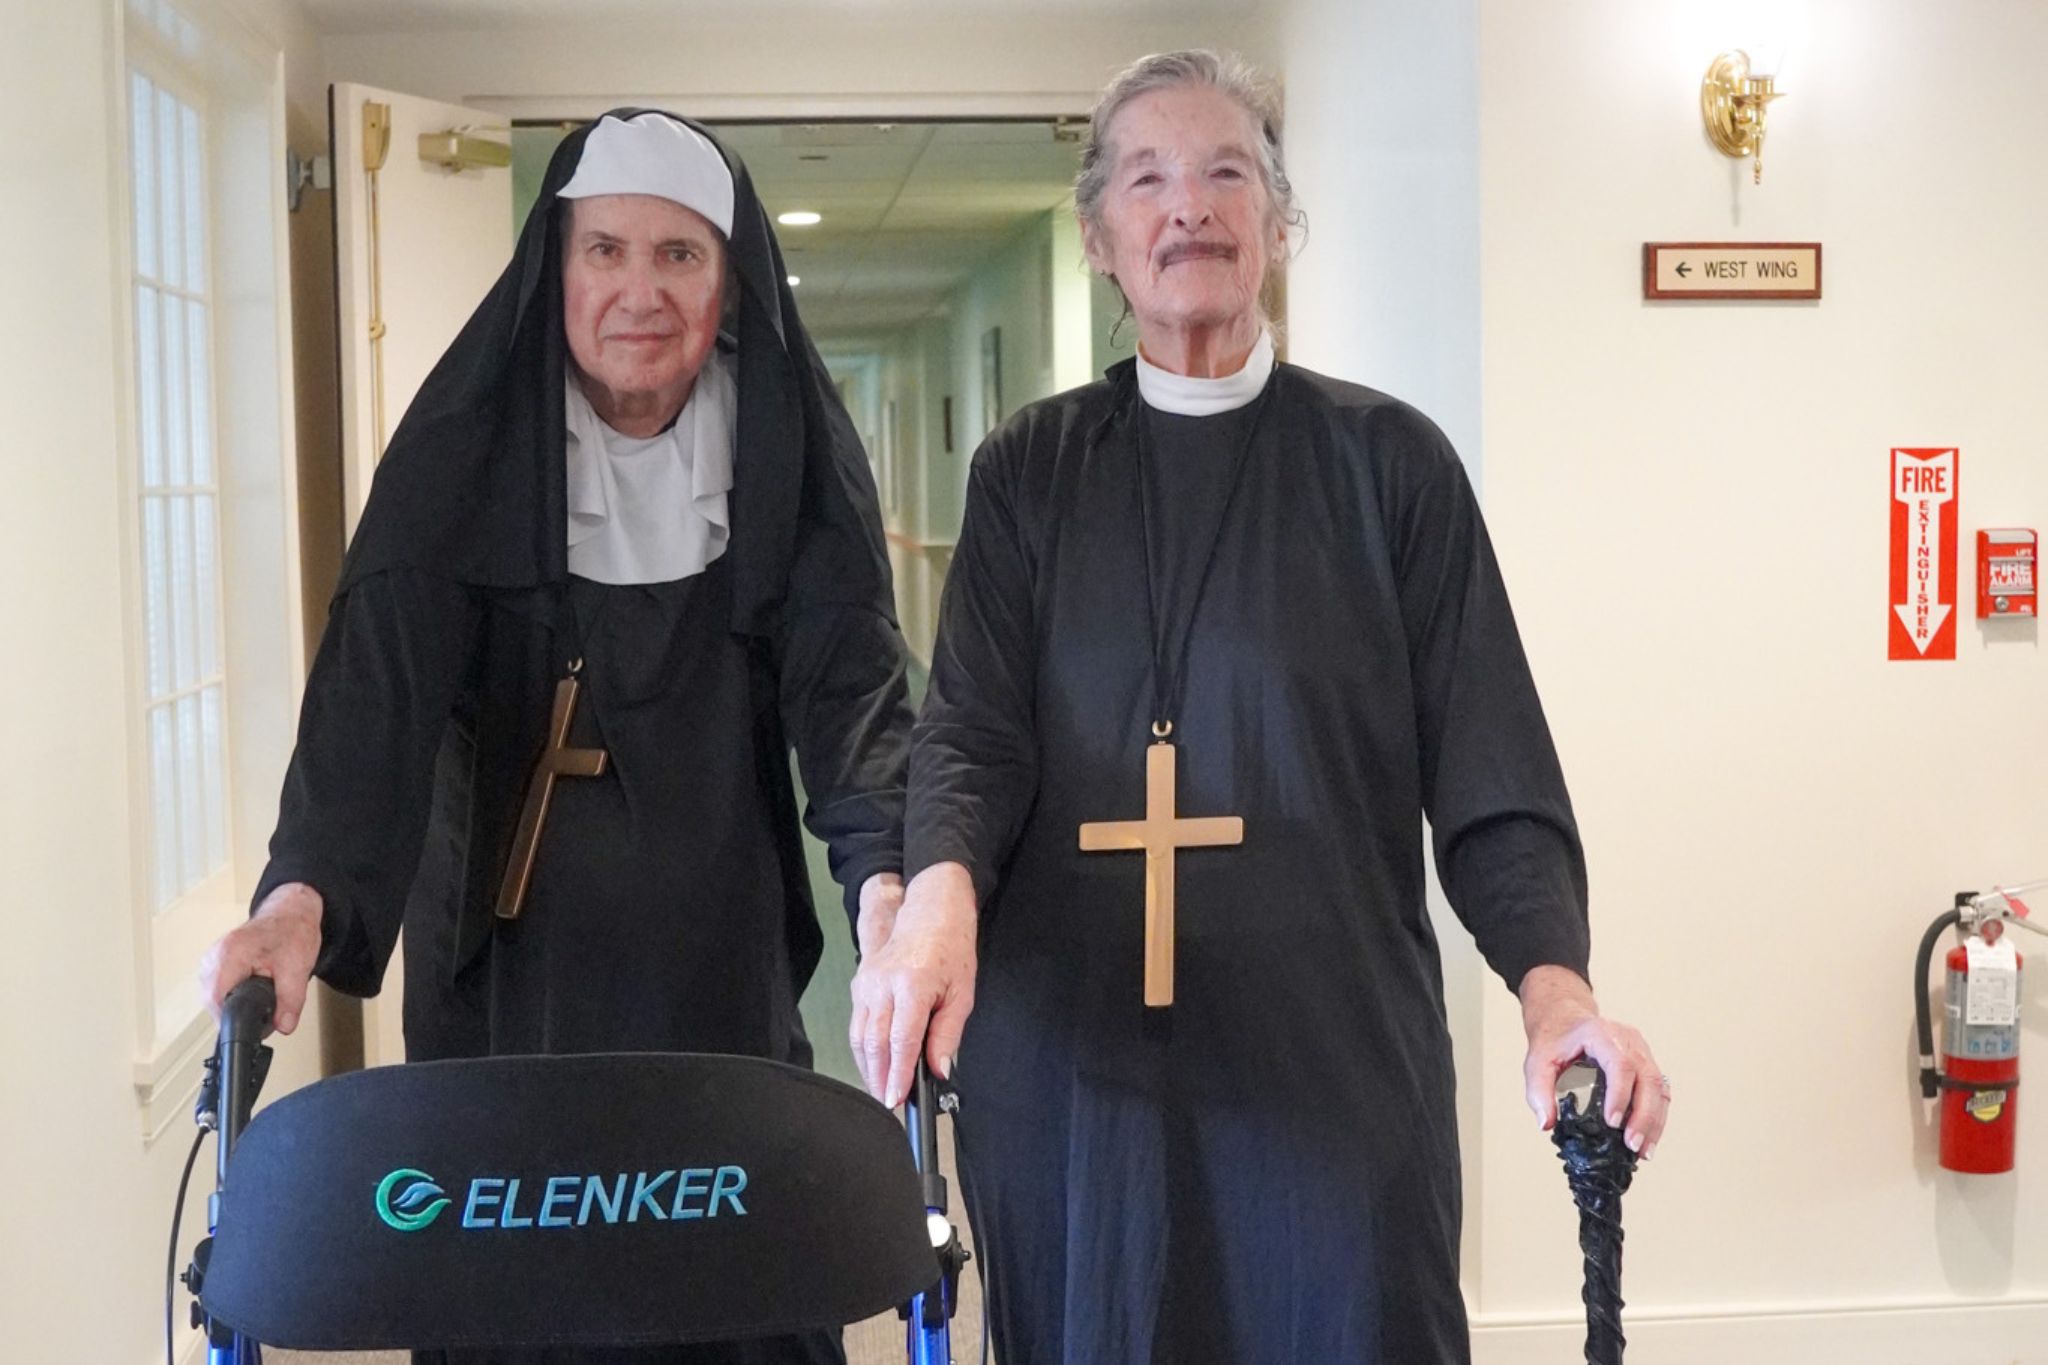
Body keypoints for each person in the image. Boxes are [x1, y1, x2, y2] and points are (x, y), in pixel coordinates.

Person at [852, 51, 1670, 1363]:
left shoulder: (1388, 466)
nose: (1190, 206)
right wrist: (936, 897)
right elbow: (973, 734)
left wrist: (1557, 998)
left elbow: (1489, 762)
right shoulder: (1029, 473)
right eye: (1149, 177)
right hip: (1080, 1089)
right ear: (1100, 237)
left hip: (1331, 1075)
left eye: (1228, 170)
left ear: (1280, 223)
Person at [199, 110, 912, 1365]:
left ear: (729, 277)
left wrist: (889, 881)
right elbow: (376, 699)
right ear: (558, 267)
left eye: (681, 257)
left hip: (715, 980)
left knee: (731, 1286)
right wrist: (302, 893)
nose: (641, 290)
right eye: (607, 252)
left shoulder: (785, 454)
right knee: (513, 1307)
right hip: (503, 990)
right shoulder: (463, 456)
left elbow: (853, 693)